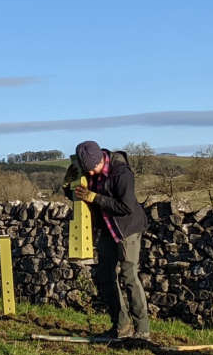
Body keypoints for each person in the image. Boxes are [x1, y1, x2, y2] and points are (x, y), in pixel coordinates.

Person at [63, 140, 150, 339]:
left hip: (127, 229)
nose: (91, 174)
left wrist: (95, 197)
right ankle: (121, 326)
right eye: (87, 171)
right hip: (106, 229)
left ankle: (142, 330)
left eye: (93, 169)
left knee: (129, 276)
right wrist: (69, 187)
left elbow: (125, 207)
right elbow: (80, 194)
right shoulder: (88, 170)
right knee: (104, 276)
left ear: (101, 159)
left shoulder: (121, 173)